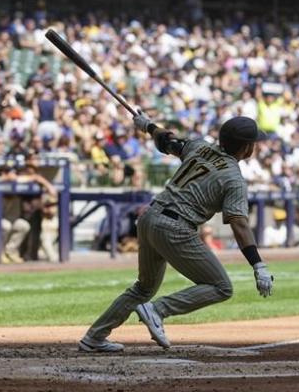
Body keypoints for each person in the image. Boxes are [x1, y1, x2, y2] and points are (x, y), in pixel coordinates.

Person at [79, 115, 274, 353]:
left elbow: (166, 140)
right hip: (175, 227)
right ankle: (158, 310)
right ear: (246, 147)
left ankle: (95, 337)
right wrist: (258, 264)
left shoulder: (199, 146)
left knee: (143, 288)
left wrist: (148, 126)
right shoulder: (234, 179)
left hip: (150, 217)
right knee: (221, 287)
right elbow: (239, 224)